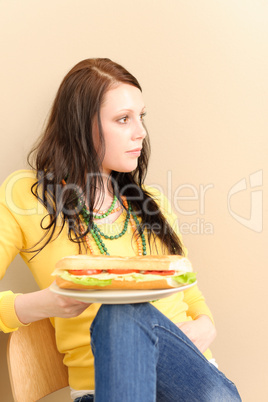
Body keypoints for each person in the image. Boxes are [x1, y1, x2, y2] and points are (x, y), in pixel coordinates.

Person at [0, 58, 241, 401]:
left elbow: (188, 291)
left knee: (127, 307)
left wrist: (206, 324)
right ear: (81, 127)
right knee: (121, 309)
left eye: (140, 117)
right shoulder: (27, 197)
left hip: (191, 386)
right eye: (123, 119)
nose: (140, 131)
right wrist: (46, 303)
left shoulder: (151, 202)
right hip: (99, 392)